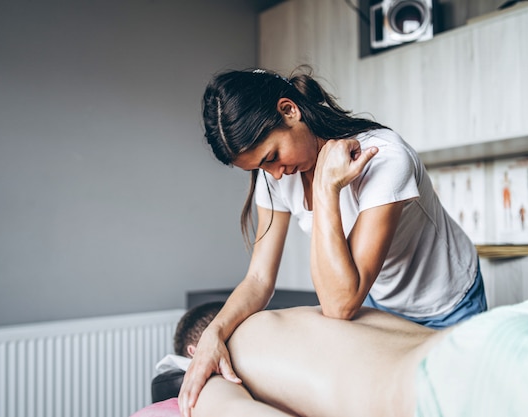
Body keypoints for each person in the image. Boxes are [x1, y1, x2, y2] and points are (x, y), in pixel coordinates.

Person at [179, 66, 487, 415]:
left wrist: (326, 188)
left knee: (465, 400)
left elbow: (339, 304)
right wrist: (213, 334)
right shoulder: (276, 178)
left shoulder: (384, 157)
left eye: (272, 157)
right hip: (376, 301)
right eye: (261, 169)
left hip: (446, 302)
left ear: (289, 110)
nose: (276, 174)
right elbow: (259, 279)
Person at [147, 292, 528, 417]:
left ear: (195, 351)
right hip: (523, 324)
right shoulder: (306, 316)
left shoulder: (208, 372)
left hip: (461, 379)